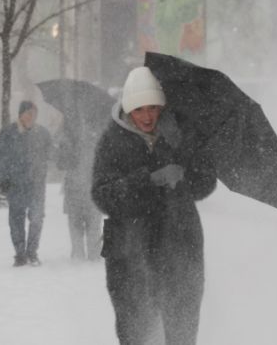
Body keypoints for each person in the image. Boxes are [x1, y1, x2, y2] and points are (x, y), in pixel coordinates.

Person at [92, 66, 216, 345]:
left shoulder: (180, 133)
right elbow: (102, 195)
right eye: (139, 109)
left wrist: (185, 172)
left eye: (152, 108)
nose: (147, 116)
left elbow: (205, 183)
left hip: (179, 243)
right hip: (128, 250)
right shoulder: (112, 141)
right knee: (135, 330)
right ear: (127, 109)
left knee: (182, 328)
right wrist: (148, 180)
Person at [0, 101, 53, 267]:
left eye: (34, 114)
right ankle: (20, 253)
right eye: (28, 113)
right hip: (16, 184)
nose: (31, 117)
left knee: (37, 218)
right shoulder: (9, 133)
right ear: (21, 114)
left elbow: (51, 153)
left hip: (36, 184)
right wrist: (4, 177)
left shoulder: (42, 134)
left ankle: (32, 252)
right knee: (16, 220)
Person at [57, 117, 103, 261]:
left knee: (93, 225)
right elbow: (61, 163)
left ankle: (92, 255)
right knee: (76, 225)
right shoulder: (67, 139)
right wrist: (67, 148)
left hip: (92, 187)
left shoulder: (98, 138)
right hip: (74, 187)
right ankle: (79, 257)